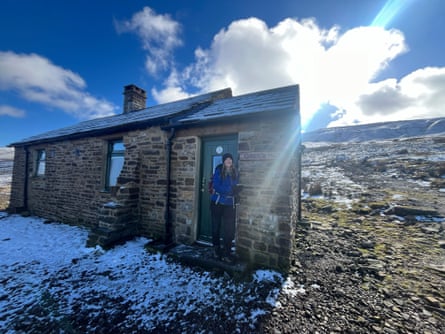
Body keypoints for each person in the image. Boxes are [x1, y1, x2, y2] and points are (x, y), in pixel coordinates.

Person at [210, 153, 239, 262]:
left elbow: (236, 184)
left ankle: (227, 253)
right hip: (217, 203)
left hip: (229, 204)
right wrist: (230, 190)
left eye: (230, 159)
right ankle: (216, 250)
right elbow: (216, 185)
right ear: (223, 161)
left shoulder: (235, 172)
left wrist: (237, 190)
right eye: (226, 159)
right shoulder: (218, 170)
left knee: (229, 230)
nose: (228, 161)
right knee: (216, 227)